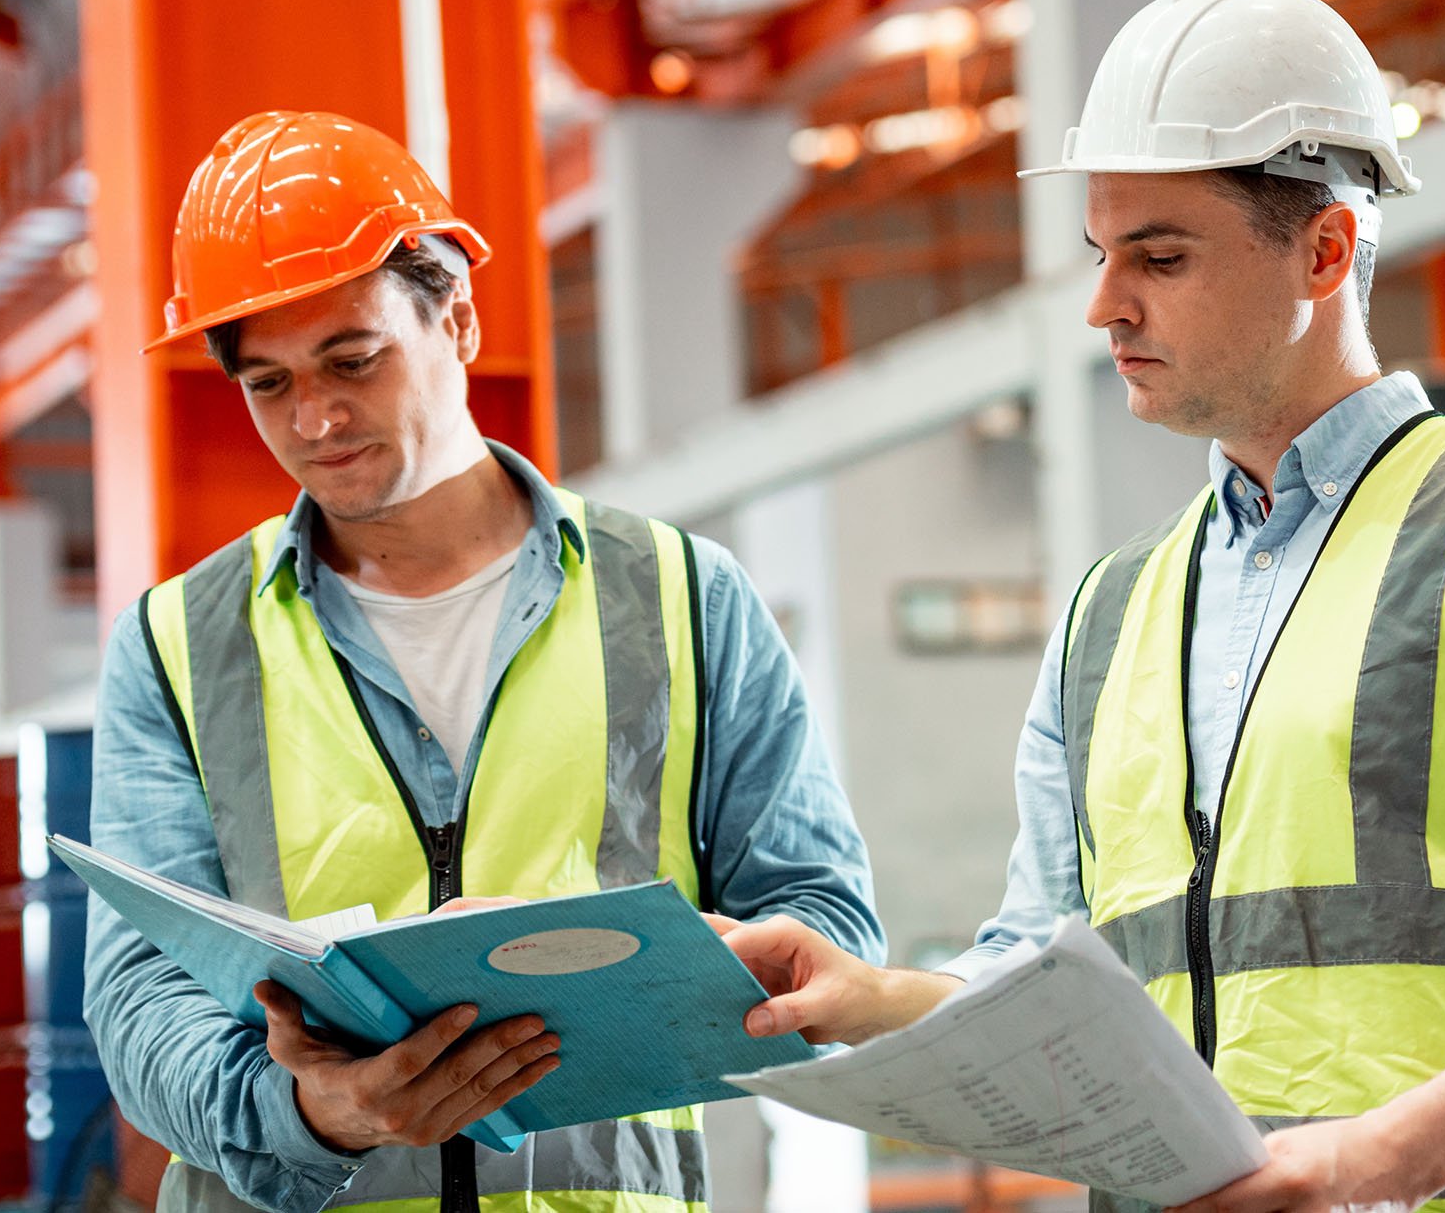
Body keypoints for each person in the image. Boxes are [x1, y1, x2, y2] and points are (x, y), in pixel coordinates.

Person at [713, 0, 1445, 1213]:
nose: (1105, 304)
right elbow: (1061, 990)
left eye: (1160, 256)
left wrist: (1377, 1161)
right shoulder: (1112, 612)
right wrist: (868, 997)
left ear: (1325, 251)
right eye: (1102, 254)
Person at [83, 110, 883, 1213]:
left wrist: (680, 971)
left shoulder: (682, 600)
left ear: (456, 318)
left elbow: (824, 925)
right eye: (267, 383)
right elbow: (141, 992)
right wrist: (324, 1115)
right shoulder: (180, 643)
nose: (314, 418)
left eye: (352, 360)